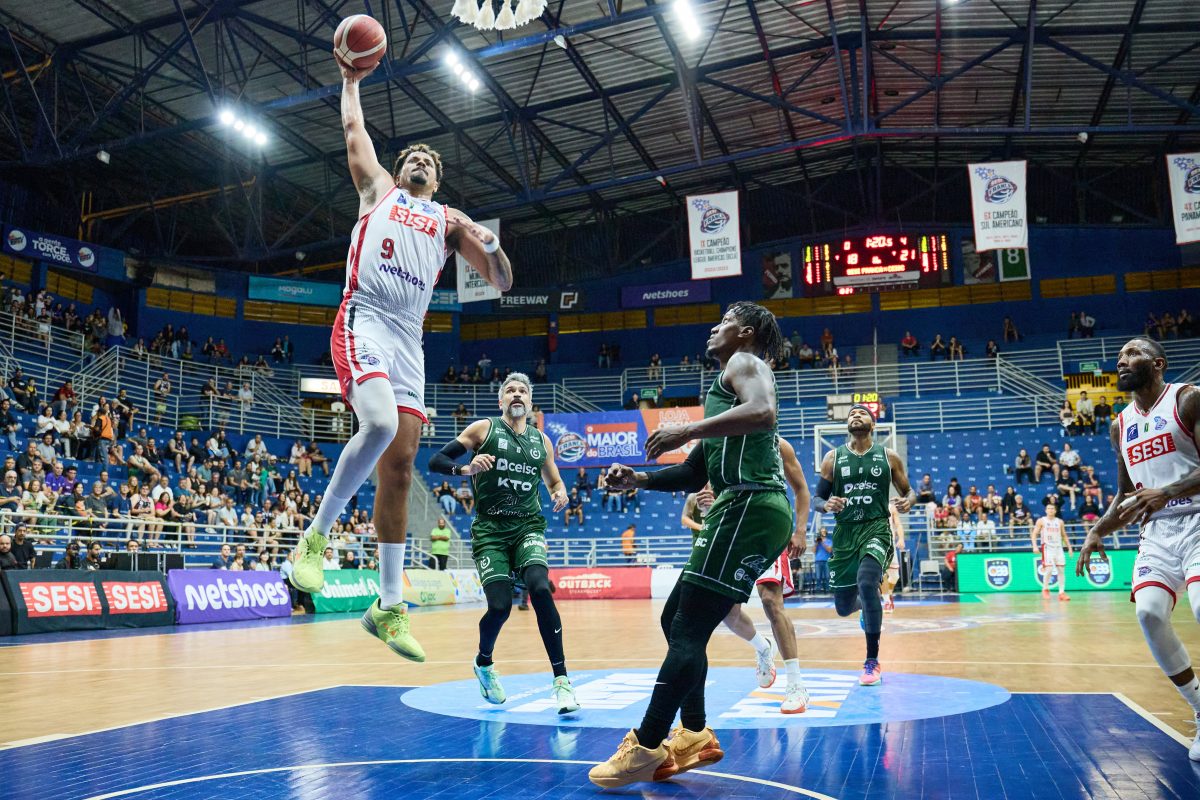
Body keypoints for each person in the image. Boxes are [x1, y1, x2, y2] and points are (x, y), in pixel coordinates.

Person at [288, 51, 513, 665]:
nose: (419, 162)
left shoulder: (448, 222)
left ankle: (388, 606)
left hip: (409, 340)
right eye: (412, 156)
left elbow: (501, 282)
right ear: (399, 169)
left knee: (401, 468)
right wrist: (350, 81)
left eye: (429, 163)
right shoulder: (378, 191)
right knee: (381, 423)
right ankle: (314, 538)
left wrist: (492, 243)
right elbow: (353, 130)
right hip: (364, 316)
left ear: (437, 182)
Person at [589, 301, 790, 787]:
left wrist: (687, 427)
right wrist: (637, 478)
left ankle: (647, 744)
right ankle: (695, 733)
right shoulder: (723, 395)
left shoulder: (745, 363)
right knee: (675, 619)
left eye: (724, 322)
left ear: (745, 332)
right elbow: (693, 472)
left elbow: (764, 411)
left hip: (747, 504)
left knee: (687, 627)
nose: (713, 329)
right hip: (746, 507)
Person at [1076, 337, 1200, 761]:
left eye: (1133, 354)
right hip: (1157, 531)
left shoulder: (1187, 400)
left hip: (1198, 517)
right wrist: (1097, 531)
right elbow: (1126, 496)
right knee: (1148, 613)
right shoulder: (1120, 424)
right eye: (1120, 357)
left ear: (1158, 363)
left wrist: (1168, 491)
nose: (1122, 361)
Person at [427, 372, 578, 714]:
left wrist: (560, 493)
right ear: (501, 401)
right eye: (510, 390)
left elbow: (554, 481)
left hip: (528, 527)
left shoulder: (542, 441)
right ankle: (484, 663)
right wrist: (466, 470)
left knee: (540, 588)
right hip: (490, 531)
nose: (517, 394)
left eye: (522, 390)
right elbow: (437, 460)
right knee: (499, 607)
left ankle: (562, 681)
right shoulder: (484, 429)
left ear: (530, 402)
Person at [814, 404, 916, 687]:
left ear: (873, 424)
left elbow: (909, 492)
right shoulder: (832, 458)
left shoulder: (889, 457)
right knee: (843, 607)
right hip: (845, 534)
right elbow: (817, 499)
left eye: (862, 414)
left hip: (876, 528)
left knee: (867, 582)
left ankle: (872, 661)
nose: (856, 415)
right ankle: (865, 607)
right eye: (851, 414)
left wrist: (908, 501)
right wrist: (827, 504)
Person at [1032, 503, 1071, 601]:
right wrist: (1035, 546)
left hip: (1058, 548)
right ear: (1046, 510)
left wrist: (1069, 548)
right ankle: (1045, 589)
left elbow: (1064, 535)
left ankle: (1061, 593)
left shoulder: (1060, 522)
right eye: (1048, 508)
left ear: (1055, 511)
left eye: (1052, 508)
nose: (1050, 510)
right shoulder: (1041, 521)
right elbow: (1034, 534)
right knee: (1049, 570)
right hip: (1047, 548)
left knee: (1061, 570)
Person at [882, 505, 905, 613]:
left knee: (895, 576)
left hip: (890, 544)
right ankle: (886, 601)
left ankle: (889, 593)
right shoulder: (870, 503)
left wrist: (901, 539)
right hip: (876, 543)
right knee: (881, 574)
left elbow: (898, 524)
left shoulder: (891, 507)